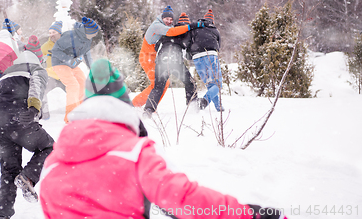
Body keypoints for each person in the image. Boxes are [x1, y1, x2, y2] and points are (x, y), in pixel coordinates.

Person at [39, 58, 286, 219]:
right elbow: (183, 199)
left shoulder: (53, 164)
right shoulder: (133, 153)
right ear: (124, 109)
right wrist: (244, 214)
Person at [0, 49, 54, 219]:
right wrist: (34, 107)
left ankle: (2, 213)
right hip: (21, 120)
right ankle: (28, 176)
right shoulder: (35, 68)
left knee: (8, 171)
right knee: (50, 147)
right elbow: (36, 85)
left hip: (0, 124)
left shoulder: (5, 74)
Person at [132, 5, 192, 108]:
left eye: (171, 19)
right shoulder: (157, 25)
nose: (169, 21)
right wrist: (190, 26)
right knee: (156, 85)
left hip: (154, 58)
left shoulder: (165, 27)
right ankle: (135, 104)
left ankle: (151, 106)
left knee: (163, 84)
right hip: (147, 58)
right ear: (162, 18)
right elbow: (172, 31)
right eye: (167, 19)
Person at [144, 12, 197, 116]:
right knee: (190, 82)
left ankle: (148, 110)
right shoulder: (186, 32)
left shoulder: (168, 31)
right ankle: (193, 106)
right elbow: (188, 49)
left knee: (158, 87)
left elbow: (157, 46)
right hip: (175, 61)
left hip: (162, 61)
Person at [51, 17, 99, 123]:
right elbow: (55, 51)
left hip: (72, 65)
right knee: (73, 85)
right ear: (88, 31)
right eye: (94, 33)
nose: (95, 35)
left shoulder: (88, 38)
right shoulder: (70, 35)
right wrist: (69, 60)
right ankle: (70, 116)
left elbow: (87, 54)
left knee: (83, 83)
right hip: (59, 63)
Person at [189, 9, 224, 112]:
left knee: (210, 85)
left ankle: (219, 107)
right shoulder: (215, 30)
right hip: (210, 56)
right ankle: (204, 101)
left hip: (197, 58)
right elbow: (219, 46)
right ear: (212, 21)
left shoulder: (196, 28)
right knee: (217, 84)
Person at [40, 21, 66, 119]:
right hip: (51, 76)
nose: (51, 35)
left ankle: (81, 112)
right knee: (41, 91)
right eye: (50, 33)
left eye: (54, 32)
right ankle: (44, 114)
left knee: (77, 91)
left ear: (59, 33)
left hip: (65, 76)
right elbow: (38, 59)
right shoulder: (45, 47)